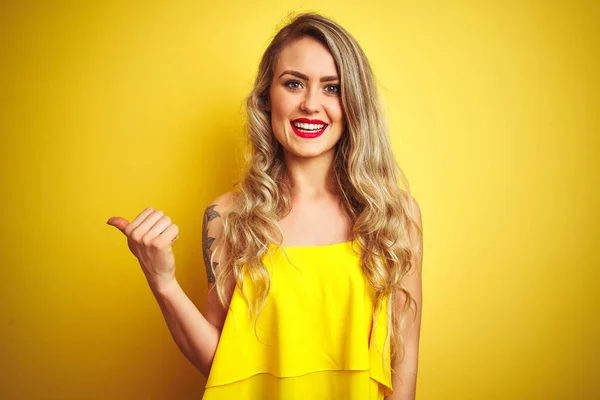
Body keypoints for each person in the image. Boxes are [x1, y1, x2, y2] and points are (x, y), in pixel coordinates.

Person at [107, 12, 423, 400]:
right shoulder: (228, 218)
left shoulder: (393, 215)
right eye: (294, 84)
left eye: (332, 88)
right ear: (267, 97)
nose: (310, 104)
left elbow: (403, 362)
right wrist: (162, 282)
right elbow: (222, 362)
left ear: (354, 101)